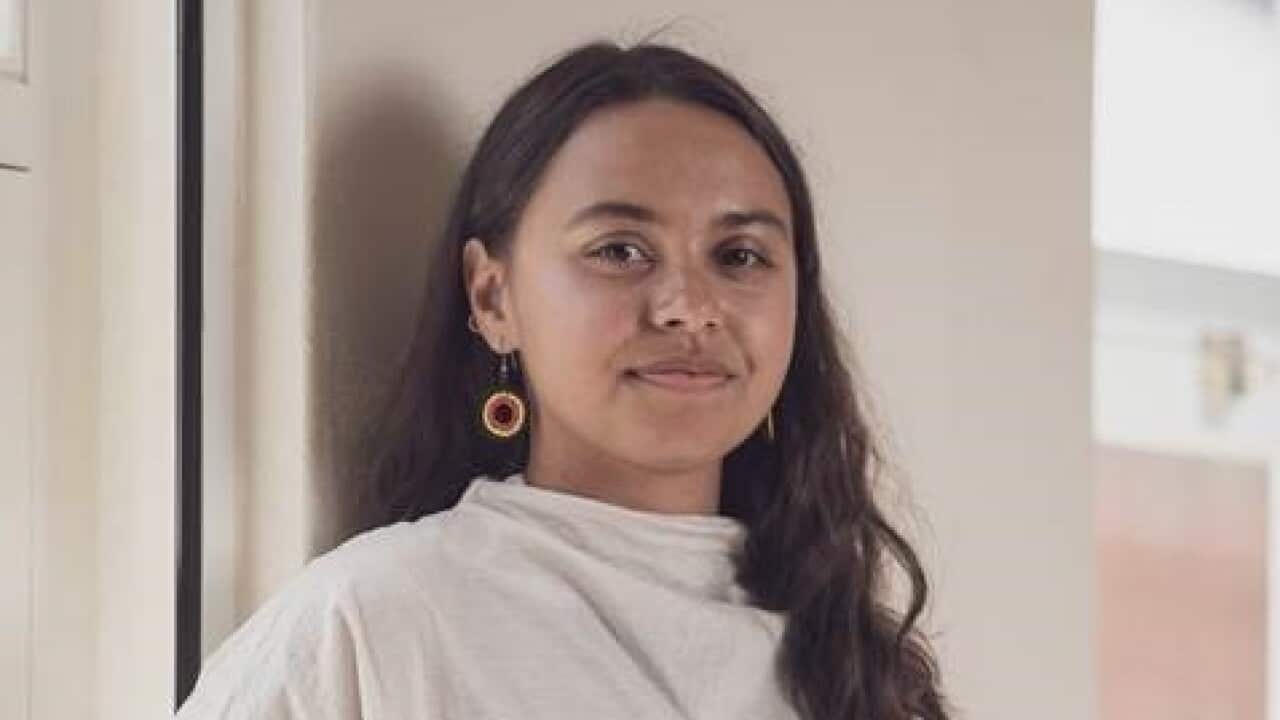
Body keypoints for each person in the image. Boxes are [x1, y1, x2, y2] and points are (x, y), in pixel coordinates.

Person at [175, 39, 950, 720]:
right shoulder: (376, 619)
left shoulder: (854, 663)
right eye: (620, 250)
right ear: (492, 298)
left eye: (740, 256)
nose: (689, 306)